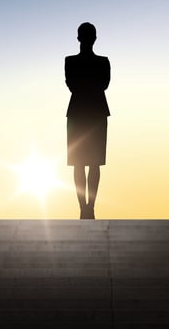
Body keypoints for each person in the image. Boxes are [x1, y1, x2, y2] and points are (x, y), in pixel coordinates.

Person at [65, 22, 110, 219]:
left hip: (86, 113)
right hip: (88, 113)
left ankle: (88, 207)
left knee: (90, 163)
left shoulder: (100, 62)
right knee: (82, 163)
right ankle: (86, 207)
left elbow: (101, 84)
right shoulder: (74, 61)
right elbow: (78, 85)